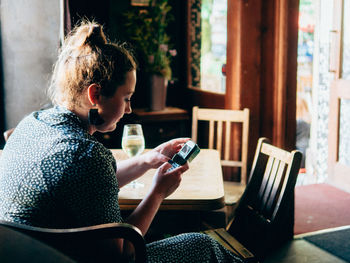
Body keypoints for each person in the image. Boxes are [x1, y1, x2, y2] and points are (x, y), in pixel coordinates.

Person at [0, 21, 243, 263]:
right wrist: (158, 192)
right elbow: (122, 255)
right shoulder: (86, 155)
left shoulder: (33, 123)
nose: (128, 109)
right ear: (94, 95)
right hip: (70, 258)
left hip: (24, 253)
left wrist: (147, 160)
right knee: (202, 245)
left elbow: (88, 188)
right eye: (126, 98)